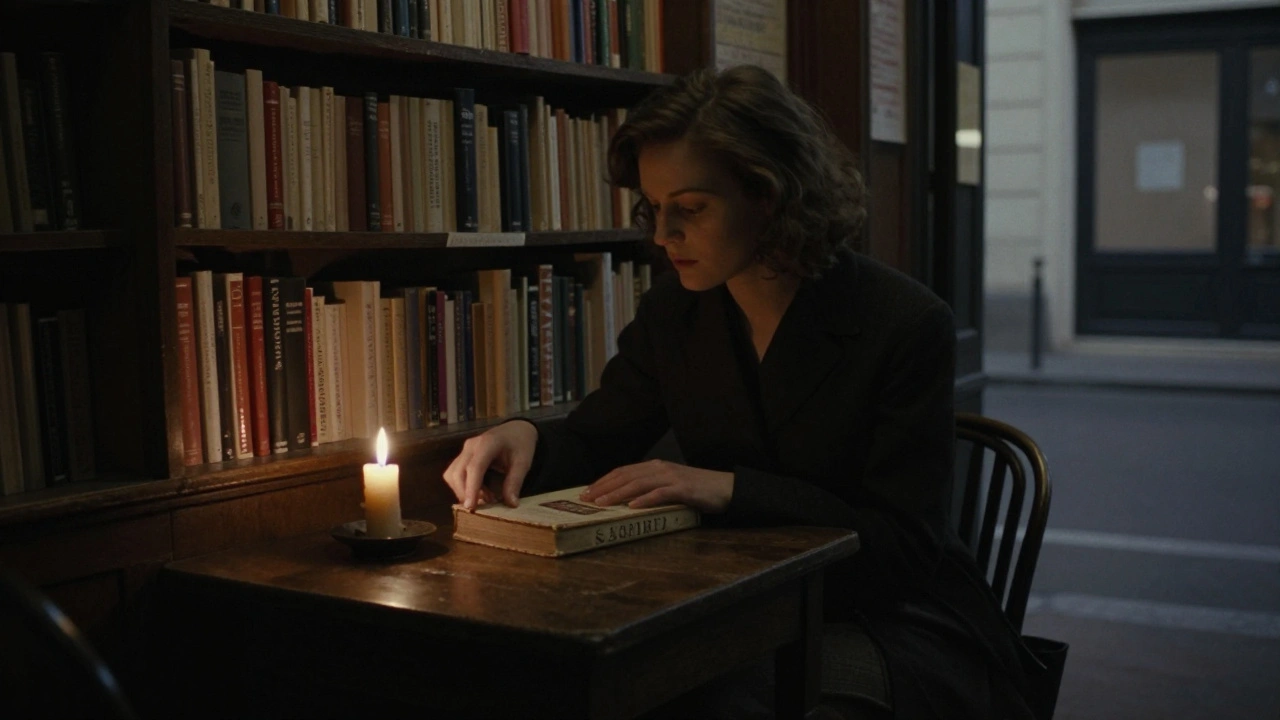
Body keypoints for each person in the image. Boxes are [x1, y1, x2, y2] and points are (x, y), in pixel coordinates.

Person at [443, 64, 1048, 719]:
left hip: (892, 619)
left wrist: (726, 487)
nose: (661, 235)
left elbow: (901, 548)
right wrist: (522, 436)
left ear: (770, 194)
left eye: (691, 209)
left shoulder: (901, 324)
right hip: (737, 605)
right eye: (655, 207)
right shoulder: (678, 312)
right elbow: (597, 438)